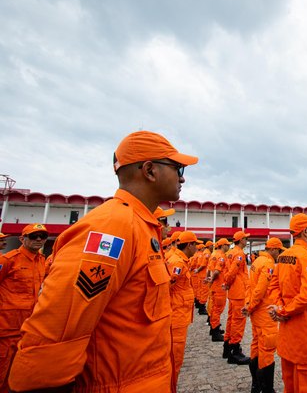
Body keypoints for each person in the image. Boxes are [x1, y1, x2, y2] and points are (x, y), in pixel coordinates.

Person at [8, 131, 198, 392]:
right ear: (150, 170)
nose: (182, 177)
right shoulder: (111, 228)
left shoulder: (140, 227)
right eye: (177, 167)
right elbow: (57, 333)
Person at [267, 213, 307, 393]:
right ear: (305, 231)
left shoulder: (284, 256)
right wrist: (283, 310)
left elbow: (273, 285)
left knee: (290, 386)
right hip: (305, 339)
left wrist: (278, 307)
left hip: (287, 339)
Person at [0, 223, 49, 393]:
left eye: (42, 236)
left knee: (16, 373)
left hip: (27, 328)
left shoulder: (42, 261)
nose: (38, 239)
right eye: (33, 236)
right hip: (5, 329)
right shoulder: (8, 260)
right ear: (22, 238)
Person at [243, 237, 284, 393]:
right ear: (273, 249)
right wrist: (251, 306)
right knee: (267, 350)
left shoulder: (256, 261)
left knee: (256, 346)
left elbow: (249, 286)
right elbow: (260, 290)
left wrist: (248, 305)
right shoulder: (267, 264)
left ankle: (256, 385)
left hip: (256, 313)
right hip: (265, 313)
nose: (279, 254)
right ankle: (267, 389)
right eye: (279, 251)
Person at [167, 230, 202, 384]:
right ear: (189, 245)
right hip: (176, 316)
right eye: (195, 245)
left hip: (179, 313)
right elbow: (166, 287)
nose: (197, 248)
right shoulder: (178, 263)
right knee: (175, 359)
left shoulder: (181, 261)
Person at [222, 231, 251, 365]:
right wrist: (227, 283)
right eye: (245, 239)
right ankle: (235, 351)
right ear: (240, 240)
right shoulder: (239, 254)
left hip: (234, 291)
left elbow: (226, 271)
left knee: (231, 319)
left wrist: (227, 284)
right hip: (238, 291)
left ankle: (227, 347)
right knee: (238, 321)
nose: (246, 241)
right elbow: (232, 271)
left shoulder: (230, 253)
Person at [207, 238, 231, 342]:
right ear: (223, 246)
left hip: (214, 286)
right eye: (227, 245)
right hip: (219, 287)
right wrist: (212, 280)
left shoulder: (213, 254)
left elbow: (209, 269)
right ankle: (215, 332)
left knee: (214, 309)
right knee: (217, 309)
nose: (229, 247)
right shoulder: (221, 256)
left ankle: (213, 328)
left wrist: (209, 281)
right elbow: (217, 271)